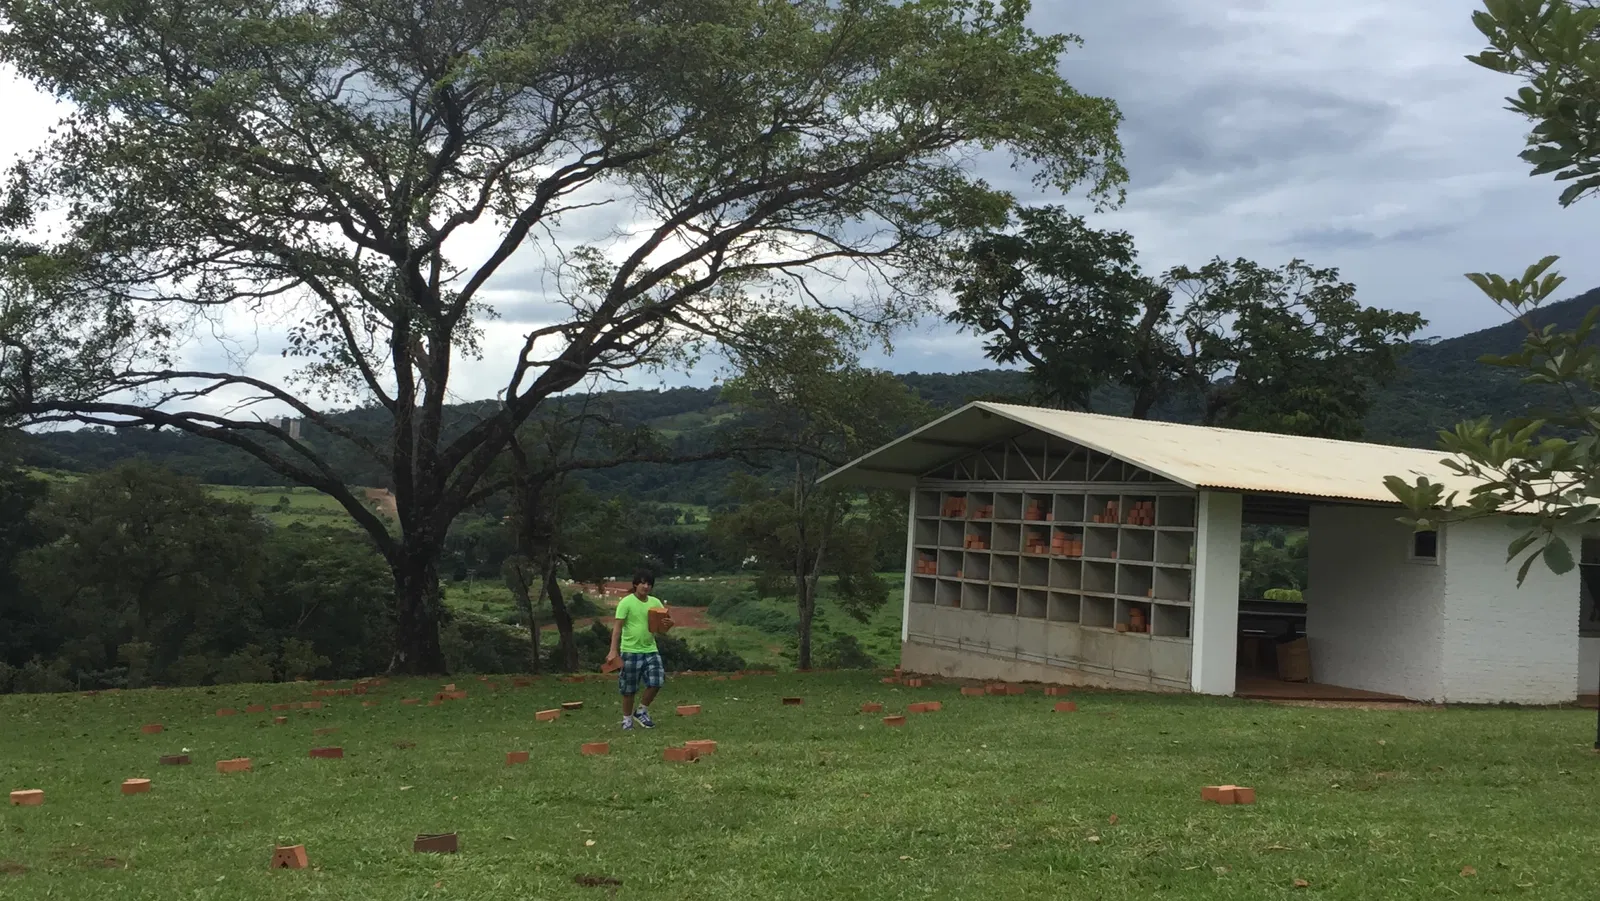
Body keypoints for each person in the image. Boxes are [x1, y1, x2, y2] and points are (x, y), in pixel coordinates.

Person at [606, 570, 666, 731]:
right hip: (630, 651)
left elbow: (662, 626)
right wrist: (613, 651)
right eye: (643, 583)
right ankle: (627, 720)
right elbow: (617, 628)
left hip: (650, 649)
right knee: (629, 688)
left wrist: (668, 623)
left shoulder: (655, 603)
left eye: (649, 584)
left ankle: (641, 711)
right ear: (635, 585)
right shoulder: (626, 602)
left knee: (657, 681)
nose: (646, 586)